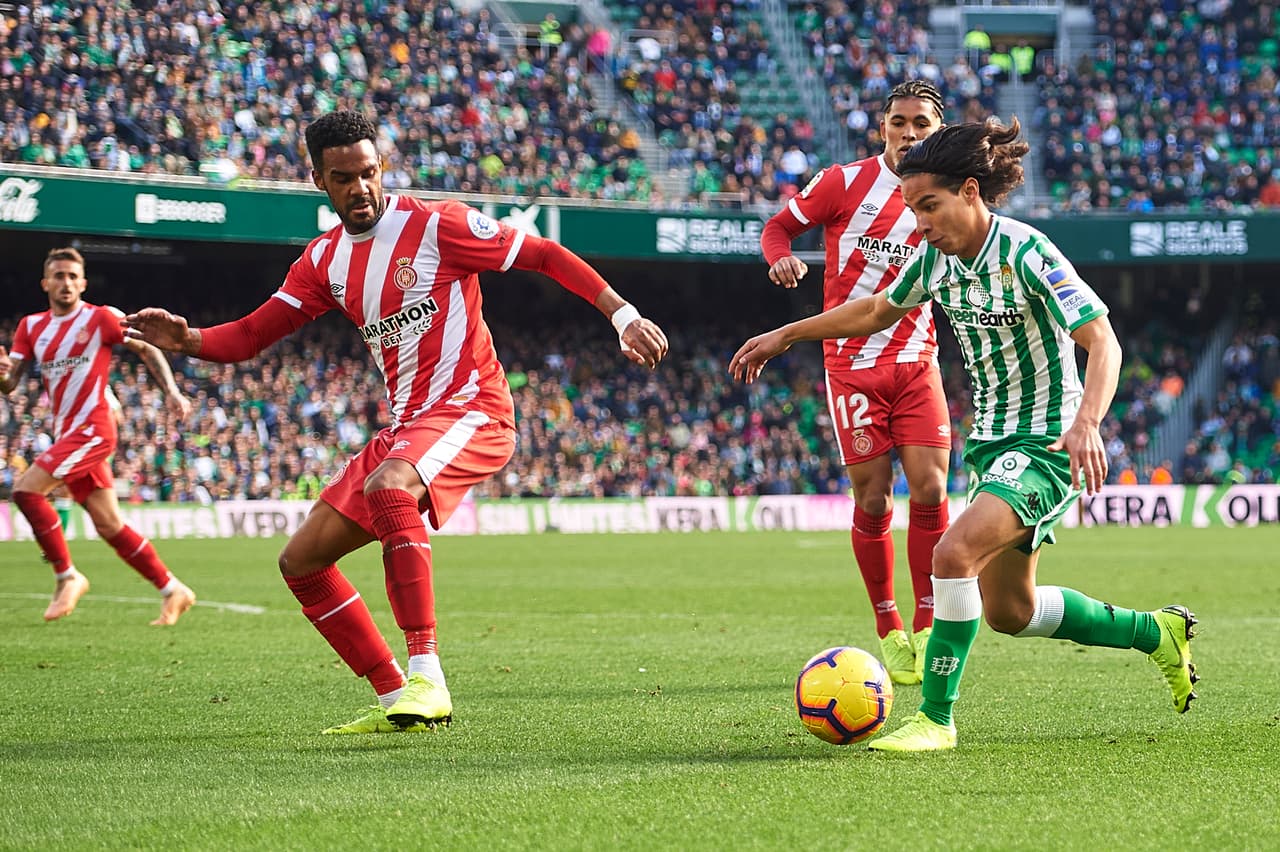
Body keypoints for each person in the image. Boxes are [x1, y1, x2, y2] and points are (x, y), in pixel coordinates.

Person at [122, 110, 669, 735]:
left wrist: (621, 314)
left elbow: (543, 254)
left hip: (474, 409)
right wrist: (188, 339)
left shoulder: (438, 224)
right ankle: (394, 699)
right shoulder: (323, 260)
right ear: (318, 182)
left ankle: (427, 675)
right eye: (343, 178)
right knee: (301, 562)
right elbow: (250, 335)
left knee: (389, 486)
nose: (361, 188)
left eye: (369, 172)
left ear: (382, 166)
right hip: (409, 426)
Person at [731, 118, 1198, 752]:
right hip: (993, 448)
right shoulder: (935, 261)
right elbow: (873, 310)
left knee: (950, 556)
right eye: (911, 209)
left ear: (971, 192)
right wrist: (787, 333)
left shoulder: (1027, 253)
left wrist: (1087, 423)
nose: (919, 224)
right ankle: (1156, 632)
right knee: (1012, 612)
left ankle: (935, 719)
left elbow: (1101, 340)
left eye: (929, 207)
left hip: (1046, 444)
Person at [760, 80, 951, 685]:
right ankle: (888, 627)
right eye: (899, 122)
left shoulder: (945, 199)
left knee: (931, 485)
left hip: (917, 359)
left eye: (921, 123)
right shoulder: (843, 183)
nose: (909, 133)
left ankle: (926, 622)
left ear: (937, 131)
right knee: (873, 500)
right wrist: (780, 257)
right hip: (851, 367)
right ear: (883, 128)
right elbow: (777, 227)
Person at [0, 247, 196, 625]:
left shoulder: (100, 317)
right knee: (110, 525)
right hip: (66, 435)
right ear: (46, 283)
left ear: (83, 283)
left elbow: (146, 347)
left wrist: (171, 391)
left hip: (94, 429)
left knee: (26, 490)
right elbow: (11, 384)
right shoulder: (31, 327)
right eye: (58, 276)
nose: (66, 283)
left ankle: (67, 575)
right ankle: (173, 589)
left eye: (73, 276)